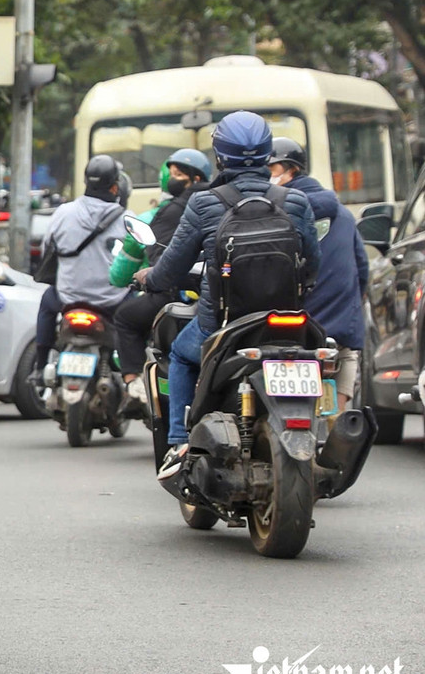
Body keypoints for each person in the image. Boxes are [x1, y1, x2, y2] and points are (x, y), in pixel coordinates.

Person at [136, 112, 319, 479]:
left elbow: (170, 268)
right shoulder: (294, 201)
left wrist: (148, 279)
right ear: (268, 153)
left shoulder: (205, 204)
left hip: (220, 326)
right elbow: (313, 264)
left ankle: (178, 443)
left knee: (181, 356)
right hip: (285, 326)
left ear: (220, 156)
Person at [268, 137, 369, 411]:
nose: (267, 177)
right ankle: (338, 417)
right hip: (339, 327)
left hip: (290, 327)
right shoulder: (345, 216)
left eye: (271, 169)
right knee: (347, 354)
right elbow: (362, 270)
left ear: (291, 170)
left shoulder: (276, 213)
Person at [110, 149, 212, 410]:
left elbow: (164, 260)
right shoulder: (230, 201)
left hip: (186, 294)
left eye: (179, 175)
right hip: (232, 297)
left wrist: (152, 276)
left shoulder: (176, 210)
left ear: (195, 178)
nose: (172, 180)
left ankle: (136, 385)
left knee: (177, 353)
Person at [30, 155, 130, 385]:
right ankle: (131, 372)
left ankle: (40, 365)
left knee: (46, 303)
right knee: (134, 318)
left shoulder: (63, 213)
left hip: (68, 298)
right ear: (115, 186)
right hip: (112, 300)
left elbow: (48, 249)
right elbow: (135, 259)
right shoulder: (126, 219)